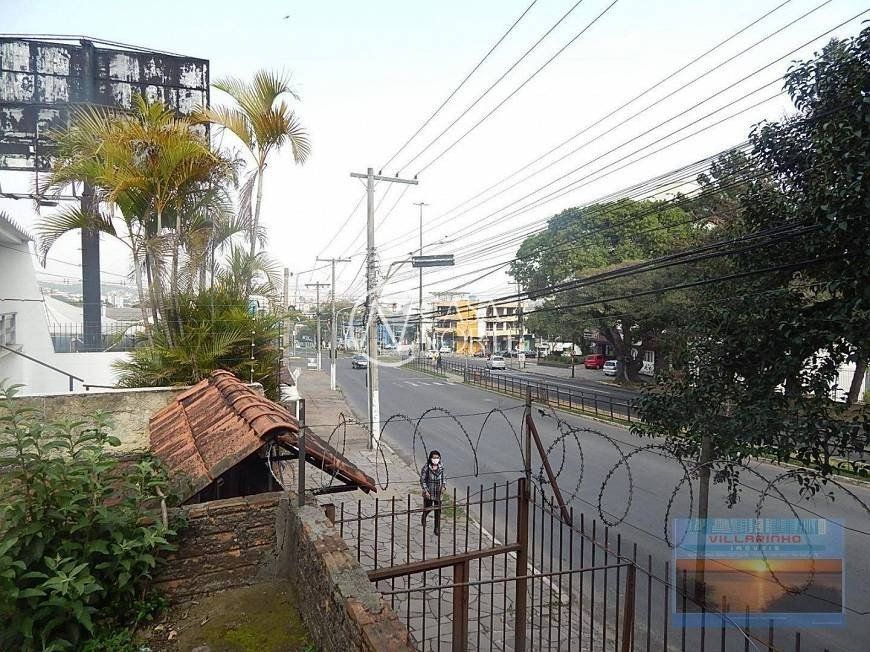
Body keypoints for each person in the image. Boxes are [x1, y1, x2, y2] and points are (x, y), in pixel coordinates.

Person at [420, 449, 446, 536]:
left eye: (437, 457)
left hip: (438, 492)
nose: (436, 459)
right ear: (431, 458)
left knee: (438, 510)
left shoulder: (441, 467)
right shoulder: (426, 468)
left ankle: (436, 528)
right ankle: (424, 515)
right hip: (430, 491)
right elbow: (422, 480)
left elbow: (444, 478)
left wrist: (443, 486)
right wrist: (425, 490)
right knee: (429, 507)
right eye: (434, 458)